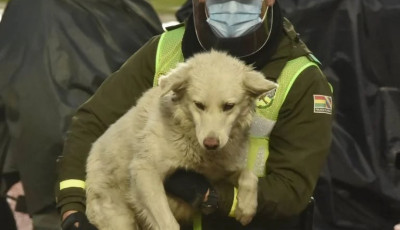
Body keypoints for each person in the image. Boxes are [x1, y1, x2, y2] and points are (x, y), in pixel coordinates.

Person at [56, 0, 333, 229]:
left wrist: (214, 197)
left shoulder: (300, 78)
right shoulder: (164, 51)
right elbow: (92, 122)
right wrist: (72, 207)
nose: (232, 7)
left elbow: (293, 189)